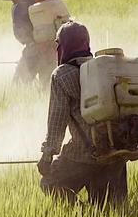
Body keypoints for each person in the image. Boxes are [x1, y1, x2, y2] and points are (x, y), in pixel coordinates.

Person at [37, 21, 128, 207]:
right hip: (117, 152)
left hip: (82, 155)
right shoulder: (105, 69)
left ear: (63, 46)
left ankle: (83, 214)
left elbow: (57, 122)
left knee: (50, 183)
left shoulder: (61, 75)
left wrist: (47, 155)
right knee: (112, 211)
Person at [0, 0, 57, 87]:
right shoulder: (36, 3)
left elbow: (21, 33)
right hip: (52, 48)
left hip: (33, 50)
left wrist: (28, 55)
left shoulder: (18, 8)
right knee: (46, 87)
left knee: (18, 85)